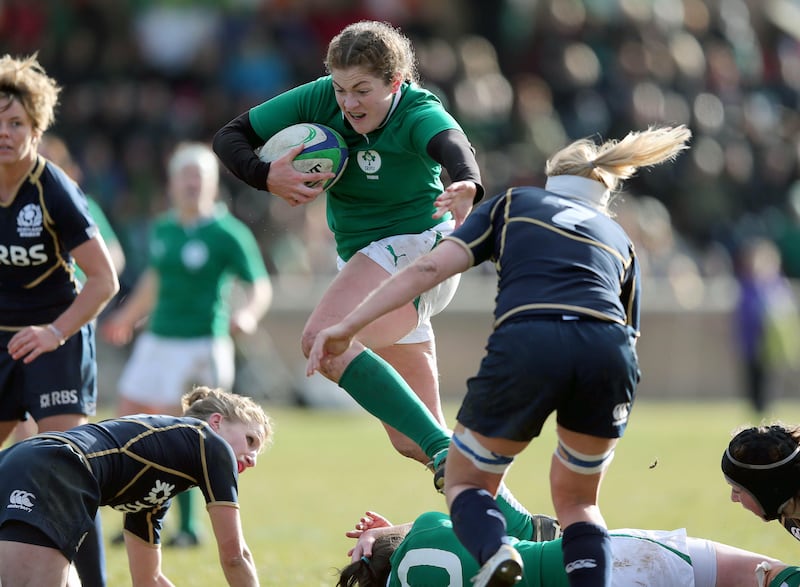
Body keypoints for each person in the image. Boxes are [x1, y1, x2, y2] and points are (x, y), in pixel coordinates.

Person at [308, 124, 693, 587]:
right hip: (608, 355)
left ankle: (499, 552)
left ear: (552, 179)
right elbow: (630, 338)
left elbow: (429, 267)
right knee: (579, 504)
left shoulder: (515, 204)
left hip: (530, 337)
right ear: (601, 196)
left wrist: (348, 324)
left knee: (467, 483)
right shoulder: (618, 237)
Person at [213, 20, 483, 470]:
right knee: (416, 436)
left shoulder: (416, 110)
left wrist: (468, 183)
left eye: (361, 90)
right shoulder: (320, 98)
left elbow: (452, 143)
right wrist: (265, 176)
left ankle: (452, 460)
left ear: (395, 82)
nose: (348, 102)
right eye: (341, 89)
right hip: (370, 264)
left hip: (417, 250)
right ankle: (515, 523)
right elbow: (230, 137)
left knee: (324, 339)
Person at [101, 141, 272, 547]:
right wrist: (126, 316)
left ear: (212, 185)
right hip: (158, 339)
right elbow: (155, 281)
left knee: (187, 431)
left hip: (203, 343)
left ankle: (189, 527)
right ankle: (135, 512)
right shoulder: (164, 228)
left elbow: (259, 285)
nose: (192, 184)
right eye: (185, 177)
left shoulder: (227, 233)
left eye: (200, 177)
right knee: (127, 417)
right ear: (173, 183)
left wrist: (247, 314)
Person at [0, 53, 120, 586]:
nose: (4, 133)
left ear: (36, 127)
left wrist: (54, 333)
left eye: (15, 124)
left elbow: (104, 280)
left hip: (57, 339)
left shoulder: (54, 191)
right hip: (3, 341)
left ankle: (92, 582)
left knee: (69, 467)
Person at [0, 385, 271, 587]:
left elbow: (148, 579)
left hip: (21, 461)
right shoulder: (210, 443)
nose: (253, 459)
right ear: (216, 422)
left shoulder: (156, 490)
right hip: (53, 469)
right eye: (250, 440)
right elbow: (235, 556)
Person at [336, 489, 800, 587]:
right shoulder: (421, 532)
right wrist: (381, 531)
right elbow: (430, 534)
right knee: (762, 575)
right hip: (597, 559)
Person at [11, 132, 128, 444]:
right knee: (22, 438)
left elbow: (111, 262)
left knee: (59, 447)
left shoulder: (75, 201)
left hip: (65, 320)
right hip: (16, 324)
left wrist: (78, 292)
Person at [733, 238, 800, 414]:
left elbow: (785, 312)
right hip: (752, 341)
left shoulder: (777, 285)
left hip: (770, 342)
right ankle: (756, 409)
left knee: (769, 378)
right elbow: (744, 314)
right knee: (752, 378)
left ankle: (766, 408)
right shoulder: (747, 285)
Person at [722, 422, 800, 541]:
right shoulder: (787, 508)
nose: (733, 498)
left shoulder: (785, 504)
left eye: (737, 490)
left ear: (765, 491)